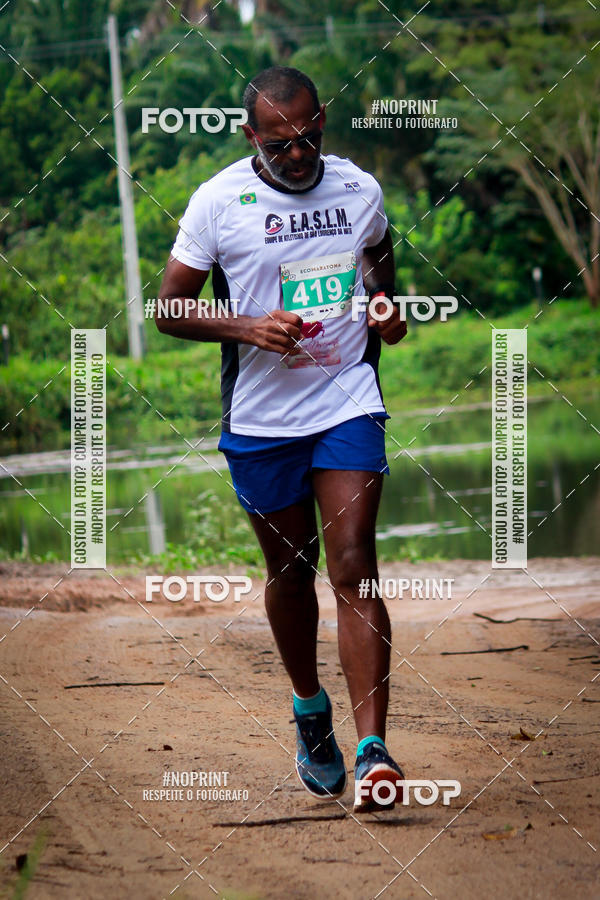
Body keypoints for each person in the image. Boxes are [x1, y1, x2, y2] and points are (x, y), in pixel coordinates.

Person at [156, 66, 407, 812]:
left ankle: (374, 752)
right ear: (249, 135)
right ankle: (309, 709)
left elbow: (383, 280)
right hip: (262, 421)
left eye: (309, 138)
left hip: (346, 402)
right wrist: (247, 328)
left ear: (323, 121)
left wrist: (389, 313)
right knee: (291, 573)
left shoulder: (359, 191)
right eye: (279, 143)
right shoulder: (219, 202)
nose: (297, 155)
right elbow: (167, 309)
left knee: (354, 561)